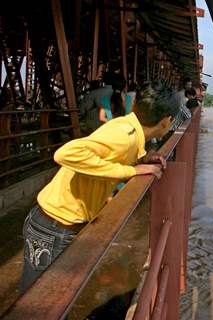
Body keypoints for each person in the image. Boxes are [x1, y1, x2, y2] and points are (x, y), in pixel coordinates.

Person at [19, 80, 181, 292]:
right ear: (167, 120)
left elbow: (112, 156)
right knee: (37, 298)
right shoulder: (125, 135)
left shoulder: (128, 127)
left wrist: (142, 161)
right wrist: (131, 171)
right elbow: (64, 153)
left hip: (57, 223)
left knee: (47, 294)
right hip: (54, 225)